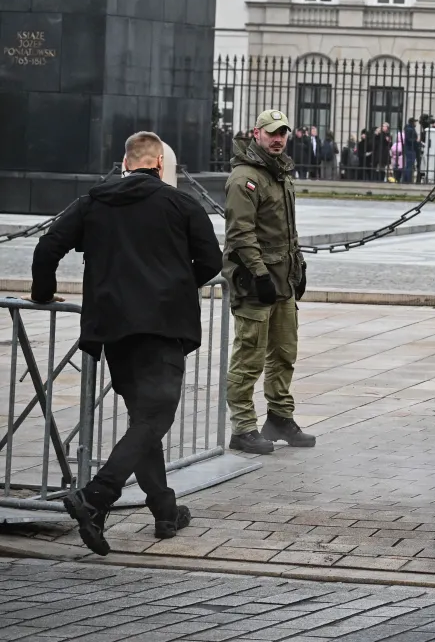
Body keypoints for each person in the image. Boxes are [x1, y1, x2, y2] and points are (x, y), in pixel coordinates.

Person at [33, 131, 223, 555]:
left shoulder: (94, 201)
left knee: (144, 420)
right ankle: (96, 496)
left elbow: (47, 248)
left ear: (125, 164)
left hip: (114, 331)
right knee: (153, 420)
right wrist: (175, 287)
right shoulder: (180, 203)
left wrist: (42, 294)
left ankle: (164, 509)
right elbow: (211, 260)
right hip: (162, 329)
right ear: (159, 164)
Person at [224, 109, 314, 454]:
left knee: (284, 353)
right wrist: (260, 274)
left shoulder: (280, 173)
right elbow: (240, 233)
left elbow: (288, 229)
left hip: (283, 280)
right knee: (250, 356)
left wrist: (299, 265)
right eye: (272, 133)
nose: (278, 139)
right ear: (256, 133)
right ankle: (243, 427)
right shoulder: (245, 178)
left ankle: (279, 417)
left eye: (283, 134)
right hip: (255, 282)